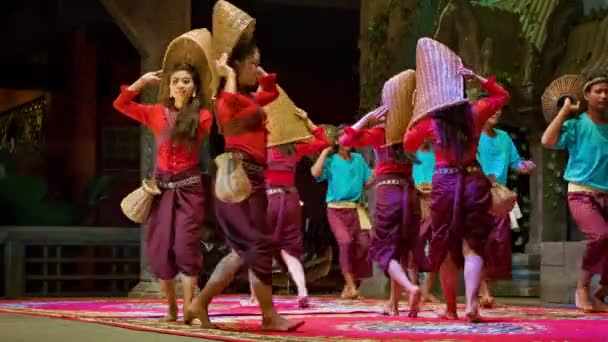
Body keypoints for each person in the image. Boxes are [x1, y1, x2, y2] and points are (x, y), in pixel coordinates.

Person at [186, 37, 304, 332]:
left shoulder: (249, 100)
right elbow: (225, 118)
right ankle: (269, 316)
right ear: (236, 66)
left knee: (242, 251)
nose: (257, 68)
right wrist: (226, 76)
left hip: (255, 181)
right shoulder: (227, 100)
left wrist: (265, 76)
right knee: (257, 246)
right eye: (252, 63)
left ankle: (200, 302)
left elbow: (271, 93)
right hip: (237, 179)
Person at [403, 38, 510, 322]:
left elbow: (409, 144)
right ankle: (471, 304)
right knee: (472, 245)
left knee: (448, 248)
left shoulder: (432, 123)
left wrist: (416, 112)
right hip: (473, 181)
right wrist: (479, 78)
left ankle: (450, 310)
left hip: (445, 185)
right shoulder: (475, 113)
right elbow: (501, 97)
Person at [113, 62, 211, 322]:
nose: (181, 85)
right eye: (176, 80)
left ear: (194, 88)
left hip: (190, 189)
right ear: (169, 87)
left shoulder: (202, 117)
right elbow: (121, 105)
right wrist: (142, 82)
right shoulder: (156, 113)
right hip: (161, 190)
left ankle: (190, 307)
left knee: (185, 247)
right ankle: (170, 309)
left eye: (187, 81)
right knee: (159, 249)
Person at [339, 70, 422, 316]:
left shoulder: (380, 133)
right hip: (409, 191)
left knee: (384, 248)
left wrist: (366, 119)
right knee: (402, 248)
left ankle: (409, 287)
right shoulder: (409, 132)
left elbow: (345, 140)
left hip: (388, 192)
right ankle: (393, 305)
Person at [243, 102, 330, 308]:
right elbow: (323, 141)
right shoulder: (293, 147)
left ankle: (255, 295)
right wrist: (306, 120)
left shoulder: (261, 146)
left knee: (257, 246)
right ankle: (302, 290)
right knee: (289, 249)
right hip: (291, 199)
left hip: (270, 199)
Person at [541, 70, 608, 313]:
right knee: (600, 236)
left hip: (606, 193)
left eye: (607, 91)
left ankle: (600, 293)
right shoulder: (576, 124)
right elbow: (547, 141)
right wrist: (565, 111)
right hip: (581, 192)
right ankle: (582, 287)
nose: (603, 96)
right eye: (598, 91)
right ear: (587, 95)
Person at [477, 107, 535, 308]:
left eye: (499, 109)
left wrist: (524, 167)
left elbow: (515, 163)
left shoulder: (503, 137)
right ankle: (484, 292)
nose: (496, 112)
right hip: (477, 195)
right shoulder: (473, 136)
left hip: (500, 197)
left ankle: (486, 290)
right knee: (481, 242)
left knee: (498, 242)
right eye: (491, 108)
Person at [311, 126, 375, 299]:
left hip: (356, 209)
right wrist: (324, 153)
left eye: (350, 138)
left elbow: (367, 182)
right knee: (345, 242)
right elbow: (315, 173)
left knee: (364, 245)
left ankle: (352, 285)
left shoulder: (358, 159)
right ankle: (350, 285)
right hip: (336, 209)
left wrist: (379, 171)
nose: (347, 142)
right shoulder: (331, 161)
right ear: (337, 141)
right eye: (343, 138)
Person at [412, 141, 441, 304]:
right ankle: (414, 287)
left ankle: (426, 290)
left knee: (436, 246)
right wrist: (417, 188)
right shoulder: (410, 153)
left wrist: (433, 187)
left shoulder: (437, 153)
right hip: (415, 201)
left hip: (435, 201)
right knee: (414, 245)